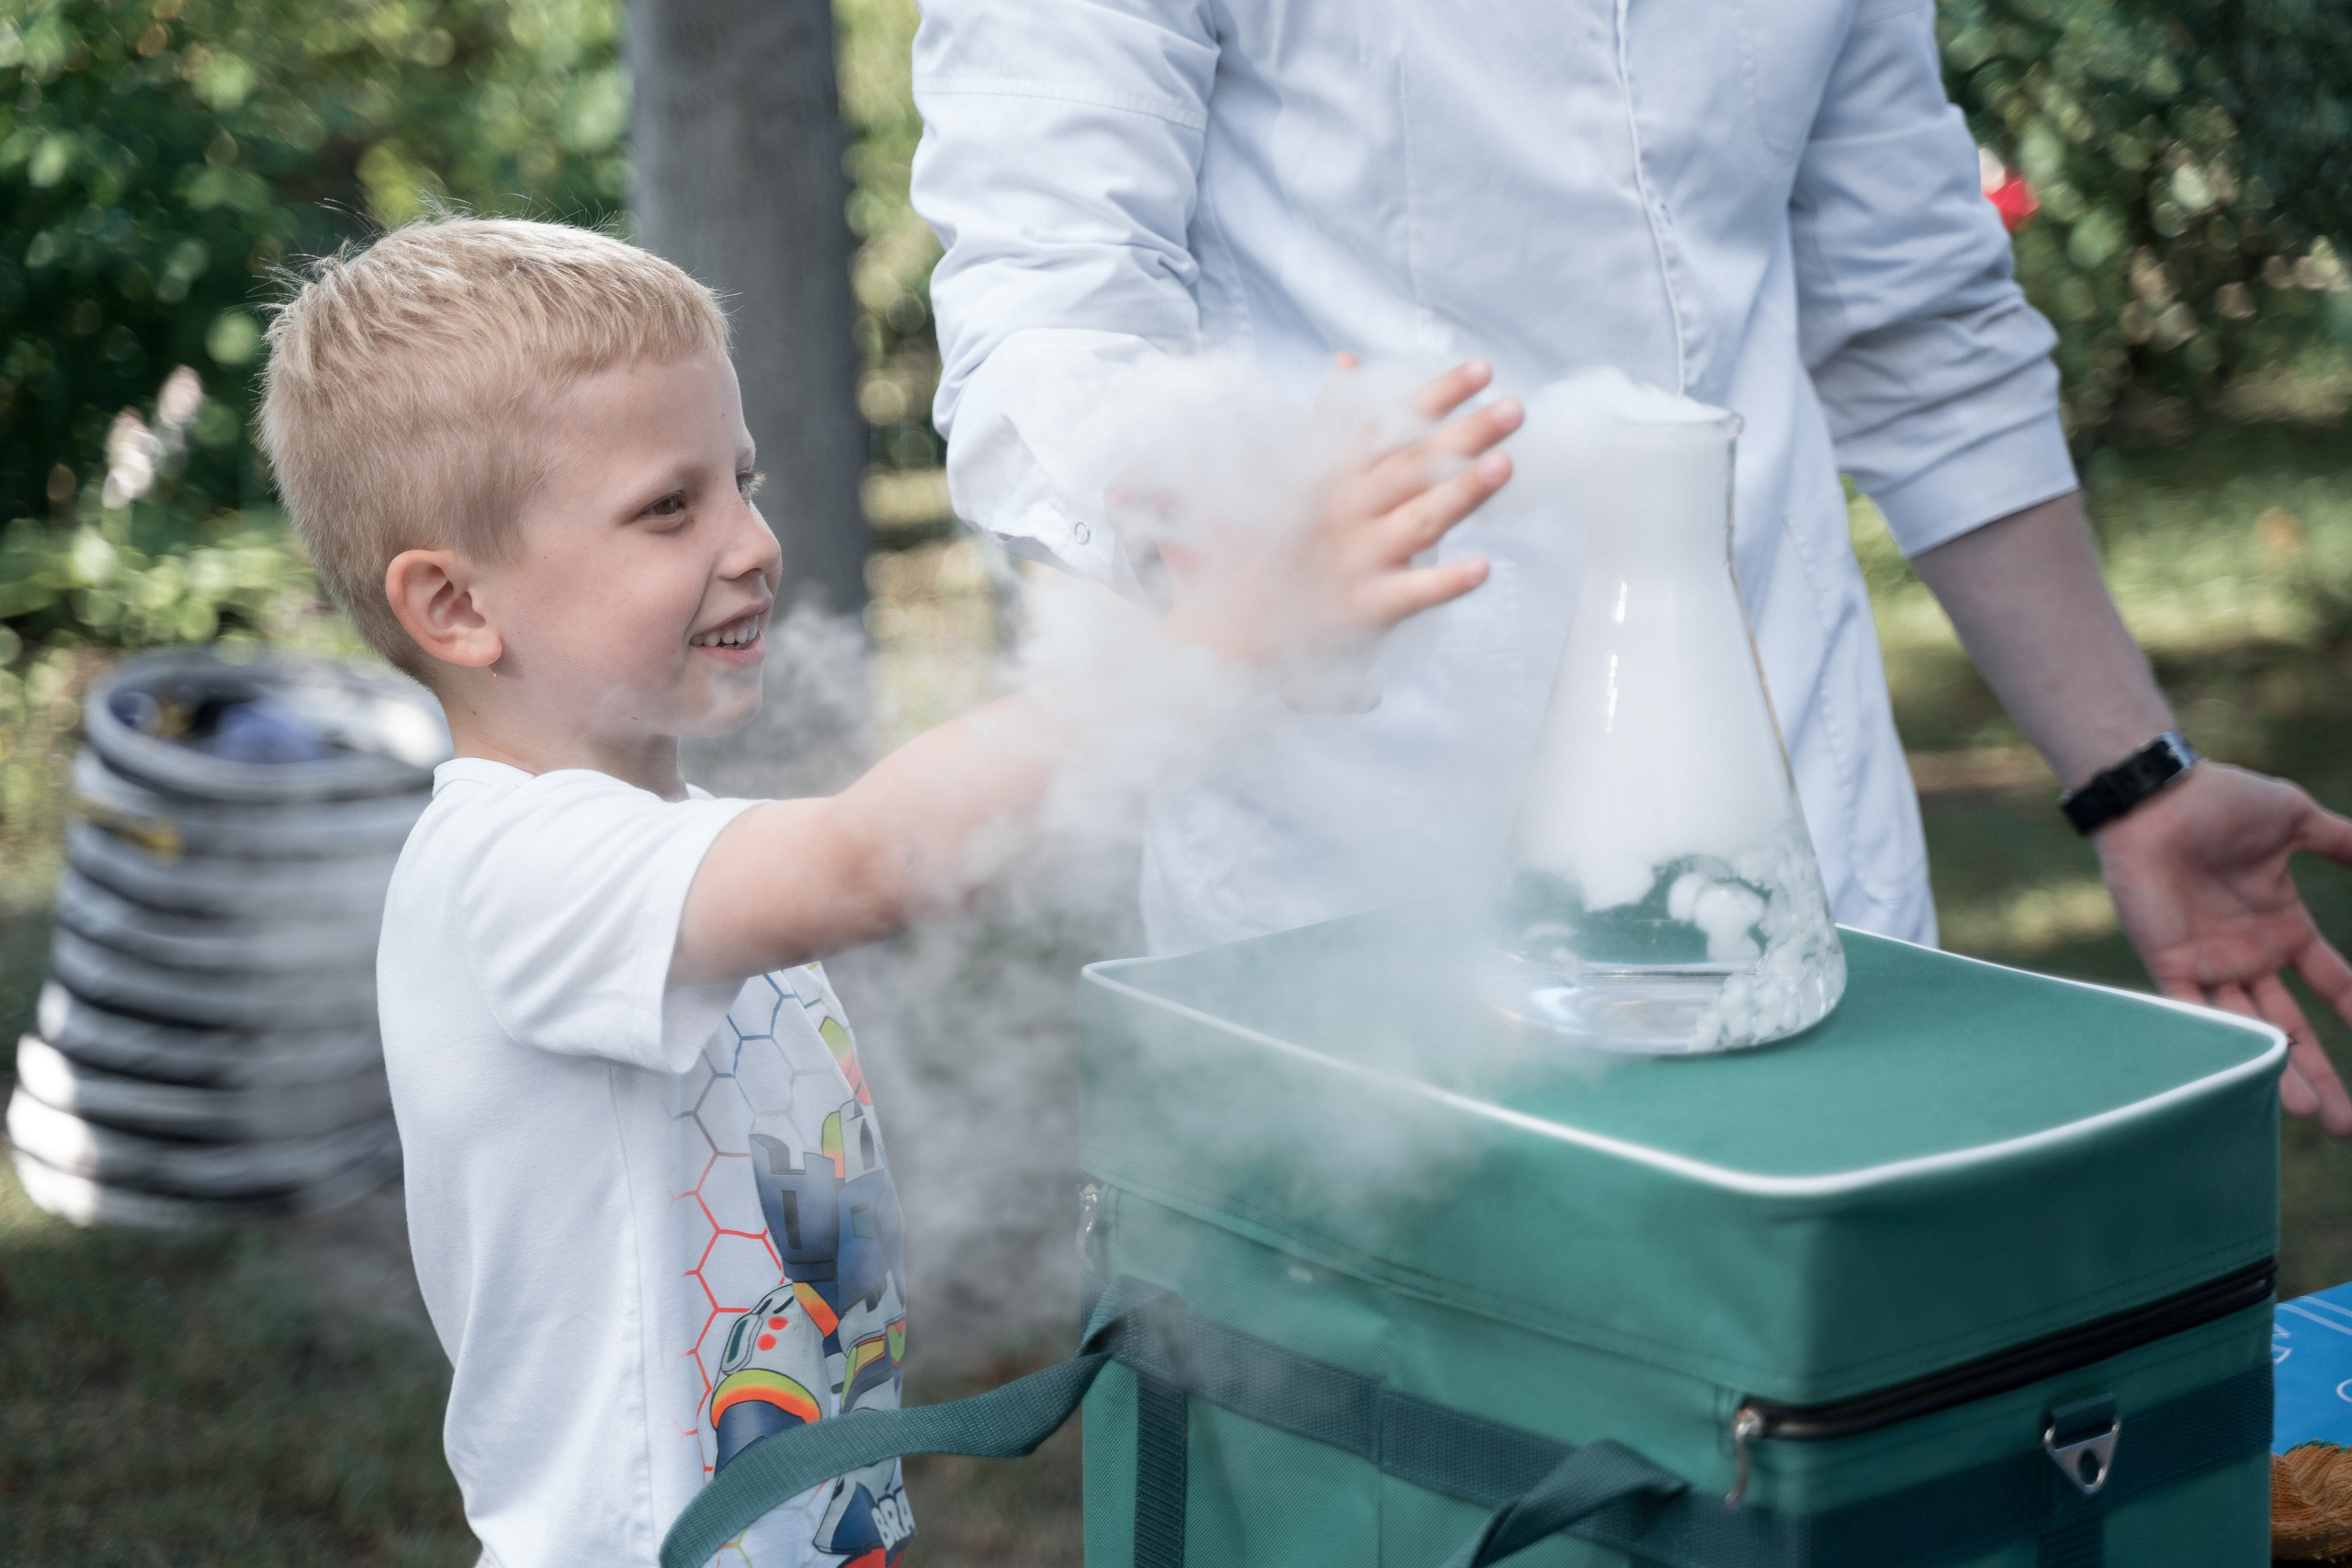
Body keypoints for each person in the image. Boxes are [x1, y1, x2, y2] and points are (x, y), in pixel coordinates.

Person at [254, 217, 1511, 1566]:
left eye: (742, 480)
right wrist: (1209, 647)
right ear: (453, 607)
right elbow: (880, 852)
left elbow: (982, 818)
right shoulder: (508, 875)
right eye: (668, 507)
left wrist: (1236, 657)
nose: (750, 542)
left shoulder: (685, 851)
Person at [908, 0, 2352, 1128]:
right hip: (1365, 895)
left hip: (1809, 872)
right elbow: (1048, 311)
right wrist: (1216, 528)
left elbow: (1922, 331)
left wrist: (2134, 780)